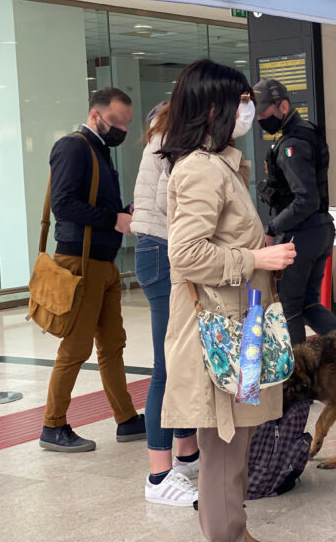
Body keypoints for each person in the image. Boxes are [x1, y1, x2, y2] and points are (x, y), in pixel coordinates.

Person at [159, 60, 296, 542]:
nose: (249, 109)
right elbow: (187, 254)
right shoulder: (201, 170)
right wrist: (258, 256)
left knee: (236, 446)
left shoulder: (222, 164)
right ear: (214, 107)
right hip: (220, 329)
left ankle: (235, 531)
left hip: (243, 324)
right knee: (222, 451)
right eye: (241, 101)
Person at [39, 87, 146, 452]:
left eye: (126, 124)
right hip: (80, 262)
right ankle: (52, 426)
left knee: (113, 344)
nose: (121, 130)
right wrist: (112, 218)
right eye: (116, 121)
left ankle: (127, 418)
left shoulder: (98, 149)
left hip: (103, 262)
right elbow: (63, 205)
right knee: (76, 347)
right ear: (96, 115)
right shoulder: (72, 146)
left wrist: (122, 212)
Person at [132, 101, 205, 506]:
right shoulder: (175, 137)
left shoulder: (167, 133)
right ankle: (159, 476)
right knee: (167, 365)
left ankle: (186, 453)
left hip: (159, 249)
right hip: (162, 252)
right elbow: (169, 203)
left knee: (179, 359)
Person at [253, 78, 336, 345]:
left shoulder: (293, 143)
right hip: (319, 230)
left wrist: (272, 228)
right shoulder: (306, 133)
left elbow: (305, 199)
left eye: (263, 112)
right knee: (308, 305)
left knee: (289, 309)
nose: (260, 119)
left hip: (302, 233)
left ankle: (297, 377)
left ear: (283, 106)